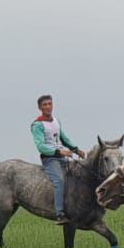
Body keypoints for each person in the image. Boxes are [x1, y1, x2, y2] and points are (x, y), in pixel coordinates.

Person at [32, 94, 84, 224]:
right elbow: (41, 146)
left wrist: (76, 149)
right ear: (39, 107)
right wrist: (59, 151)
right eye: (45, 105)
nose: (48, 107)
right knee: (59, 181)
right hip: (50, 159)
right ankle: (59, 213)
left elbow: (64, 138)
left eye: (50, 104)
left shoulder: (56, 121)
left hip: (62, 156)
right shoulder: (37, 124)